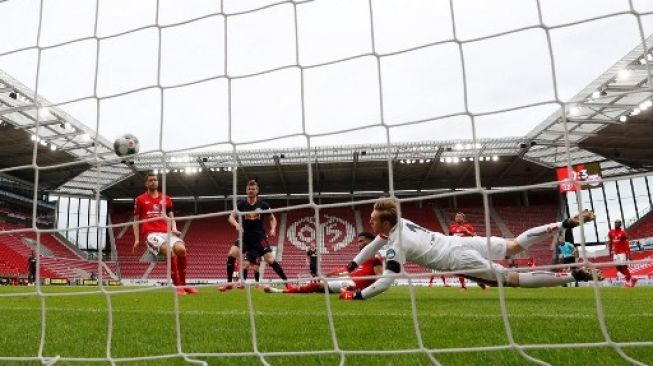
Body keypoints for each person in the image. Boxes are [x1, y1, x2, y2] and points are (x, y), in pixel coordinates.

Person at [339, 198, 601, 301]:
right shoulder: (401, 223)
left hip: (458, 259)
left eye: (373, 218)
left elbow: (386, 281)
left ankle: (573, 276)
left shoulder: (397, 244)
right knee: (513, 246)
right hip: (459, 243)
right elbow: (376, 242)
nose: (370, 220)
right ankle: (564, 223)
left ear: (385, 222)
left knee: (512, 279)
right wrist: (352, 264)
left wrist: (359, 296)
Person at [132, 172, 197, 295]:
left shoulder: (166, 198)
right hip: (151, 234)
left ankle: (184, 285)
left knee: (182, 249)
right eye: (150, 180)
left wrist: (174, 227)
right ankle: (178, 286)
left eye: (155, 180)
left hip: (166, 232)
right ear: (146, 183)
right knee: (169, 251)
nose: (153, 182)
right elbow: (135, 221)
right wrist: (136, 240)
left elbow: (171, 215)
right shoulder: (140, 199)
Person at [220, 180, 290, 291]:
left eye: (253, 189)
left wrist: (273, 228)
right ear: (246, 190)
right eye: (249, 189)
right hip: (245, 237)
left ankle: (287, 284)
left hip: (259, 238)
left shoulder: (263, 204)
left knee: (270, 260)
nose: (251, 191)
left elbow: (272, 218)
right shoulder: (241, 204)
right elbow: (231, 217)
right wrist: (236, 224)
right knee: (231, 254)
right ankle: (229, 283)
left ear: (257, 191)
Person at [264, 232, 383, 294]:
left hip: (351, 284)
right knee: (317, 283)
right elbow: (346, 270)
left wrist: (363, 290)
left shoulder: (376, 257)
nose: (359, 244)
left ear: (371, 241)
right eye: (358, 242)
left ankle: (279, 291)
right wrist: (327, 274)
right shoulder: (361, 257)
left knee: (316, 285)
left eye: (362, 241)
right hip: (347, 280)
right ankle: (293, 288)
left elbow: (379, 279)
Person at [607, 219, 638, 288]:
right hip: (615, 253)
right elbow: (610, 242)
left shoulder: (623, 233)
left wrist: (629, 254)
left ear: (620, 224)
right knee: (618, 267)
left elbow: (627, 244)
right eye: (615, 223)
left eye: (618, 223)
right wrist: (609, 251)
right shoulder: (611, 232)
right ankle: (632, 279)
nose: (616, 224)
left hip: (622, 253)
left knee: (624, 267)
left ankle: (627, 283)